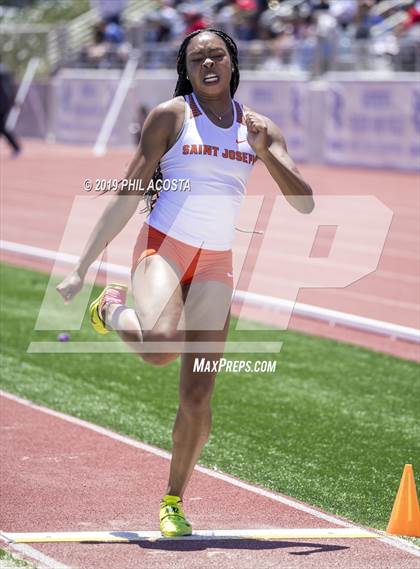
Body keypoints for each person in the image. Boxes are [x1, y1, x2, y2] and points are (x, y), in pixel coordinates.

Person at [56, 28, 314, 538]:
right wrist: (81, 265)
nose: (208, 63)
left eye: (217, 54)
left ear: (233, 62)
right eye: (197, 59)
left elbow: (305, 202)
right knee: (158, 347)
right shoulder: (171, 117)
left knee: (198, 396)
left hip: (216, 262)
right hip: (164, 248)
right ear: (188, 69)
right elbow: (128, 193)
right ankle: (108, 310)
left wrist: (266, 152)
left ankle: (173, 500)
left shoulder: (258, 128)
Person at [0, 60, 21, 157]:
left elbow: (8, 89)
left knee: (2, 127)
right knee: (2, 127)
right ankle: (16, 148)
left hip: (3, 105)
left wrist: (14, 102)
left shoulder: (3, 74)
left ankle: (16, 148)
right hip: (6, 104)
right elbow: (11, 88)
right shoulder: (6, 73)